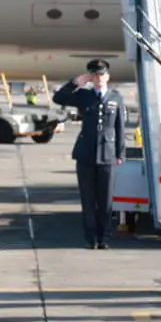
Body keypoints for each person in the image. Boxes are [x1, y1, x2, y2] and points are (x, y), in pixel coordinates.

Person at [52, 59, 125, 249]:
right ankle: (91, 238)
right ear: (90, 77)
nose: (98, 78)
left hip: (107, 154)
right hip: (86, 154)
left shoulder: (116, 98)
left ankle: (104, 238)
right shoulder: (83, 95)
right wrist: (75, 82)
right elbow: (58, 98)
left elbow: (119, 127)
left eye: (101, 74)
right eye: (95, 75)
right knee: (88, 200)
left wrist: (120, 153)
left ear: (108, 76)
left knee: (106, 200)